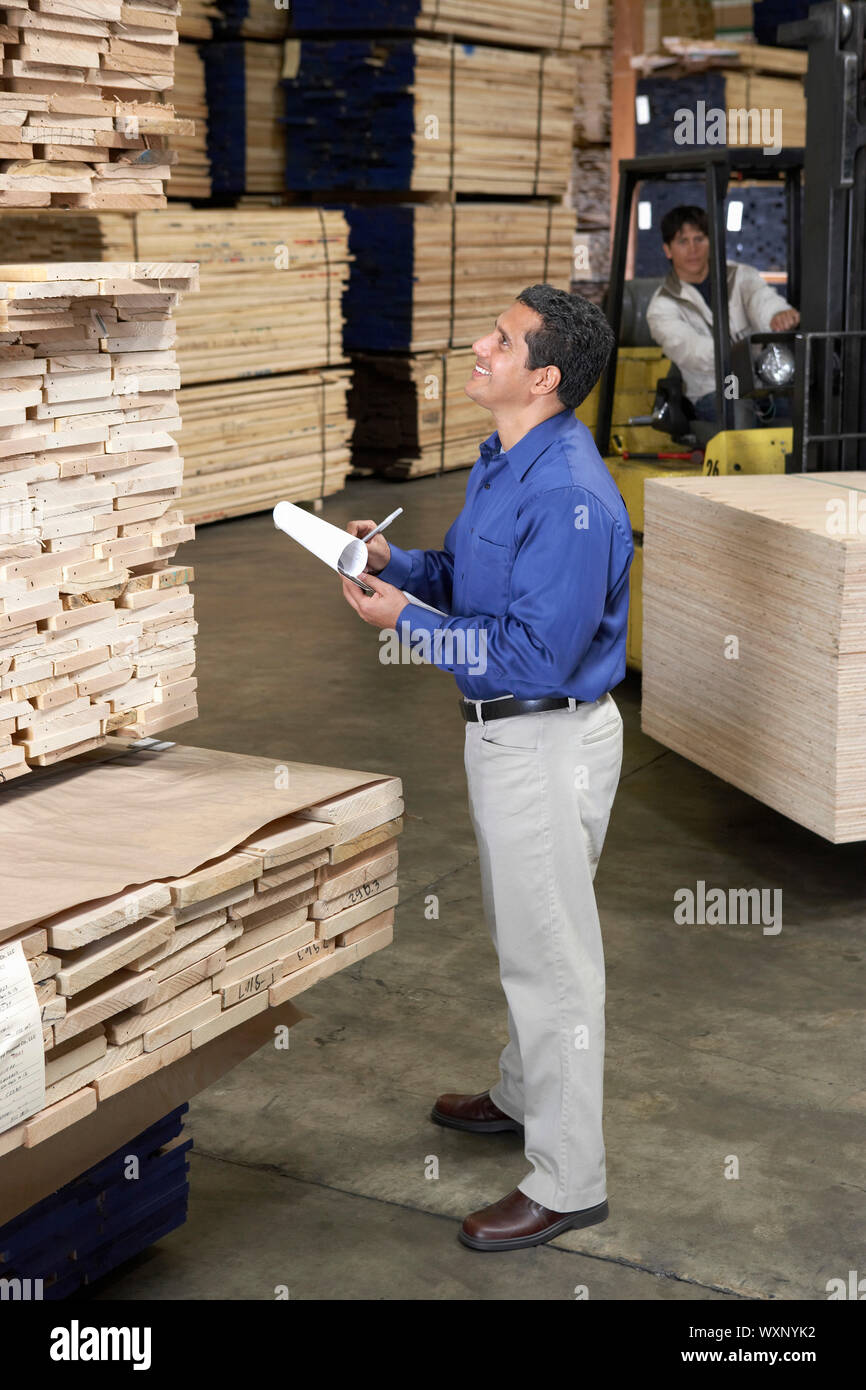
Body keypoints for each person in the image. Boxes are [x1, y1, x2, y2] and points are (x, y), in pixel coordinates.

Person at [341, 284, 633, 1252]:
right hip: (506, 736)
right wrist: (402, 567)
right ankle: (518, 1094)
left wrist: (405, 622)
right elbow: (477, 579)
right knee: (528, 934)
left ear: (542, 378)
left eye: (499, 340)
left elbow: (530, 655)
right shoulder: (509, 459)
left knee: (551, 963)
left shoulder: (568, 493)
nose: (478, 344)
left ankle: (567, 1179)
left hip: (541, 735)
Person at [646, 204, 800, 422]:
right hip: (714, 390)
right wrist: (740, 355)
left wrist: (778, 315)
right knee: (738, 408)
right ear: (668, 250)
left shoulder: (739, 276)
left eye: (699, 239)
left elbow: (761, 299)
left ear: (711, 242)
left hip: (762, 382)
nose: (693, 249)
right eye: (683, 241)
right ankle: (743, 458)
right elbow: (692, 350)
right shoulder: (661, 307)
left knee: (802, 404)